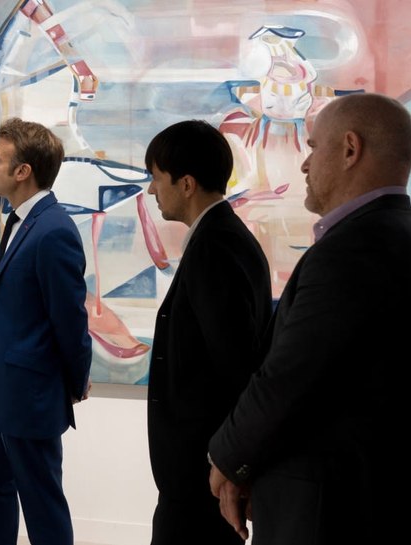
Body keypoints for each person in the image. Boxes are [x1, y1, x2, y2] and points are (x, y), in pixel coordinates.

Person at [208, 93, 411, 544]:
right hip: (370, 506)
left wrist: (227, 458)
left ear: (349, 149)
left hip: (333, 516)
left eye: (313, 146)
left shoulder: (356, 251)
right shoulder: (399, 238)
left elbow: (288, 378)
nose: (304, 164)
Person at [143, 120, 272, 545]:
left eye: (155, 178)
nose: (149, 190)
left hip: (201, 474)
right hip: (201, 471)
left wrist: (231, 465)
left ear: (186, 184)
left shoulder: (215, 248)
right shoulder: (222, 238)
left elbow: (234, 368)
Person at [0, 118, 93, 545]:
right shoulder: (23, 221)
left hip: (30, 393)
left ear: (23, 172)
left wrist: (74, 382)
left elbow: (70, 318)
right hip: (5, 388)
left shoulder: (53, 230)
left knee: (41, 500)